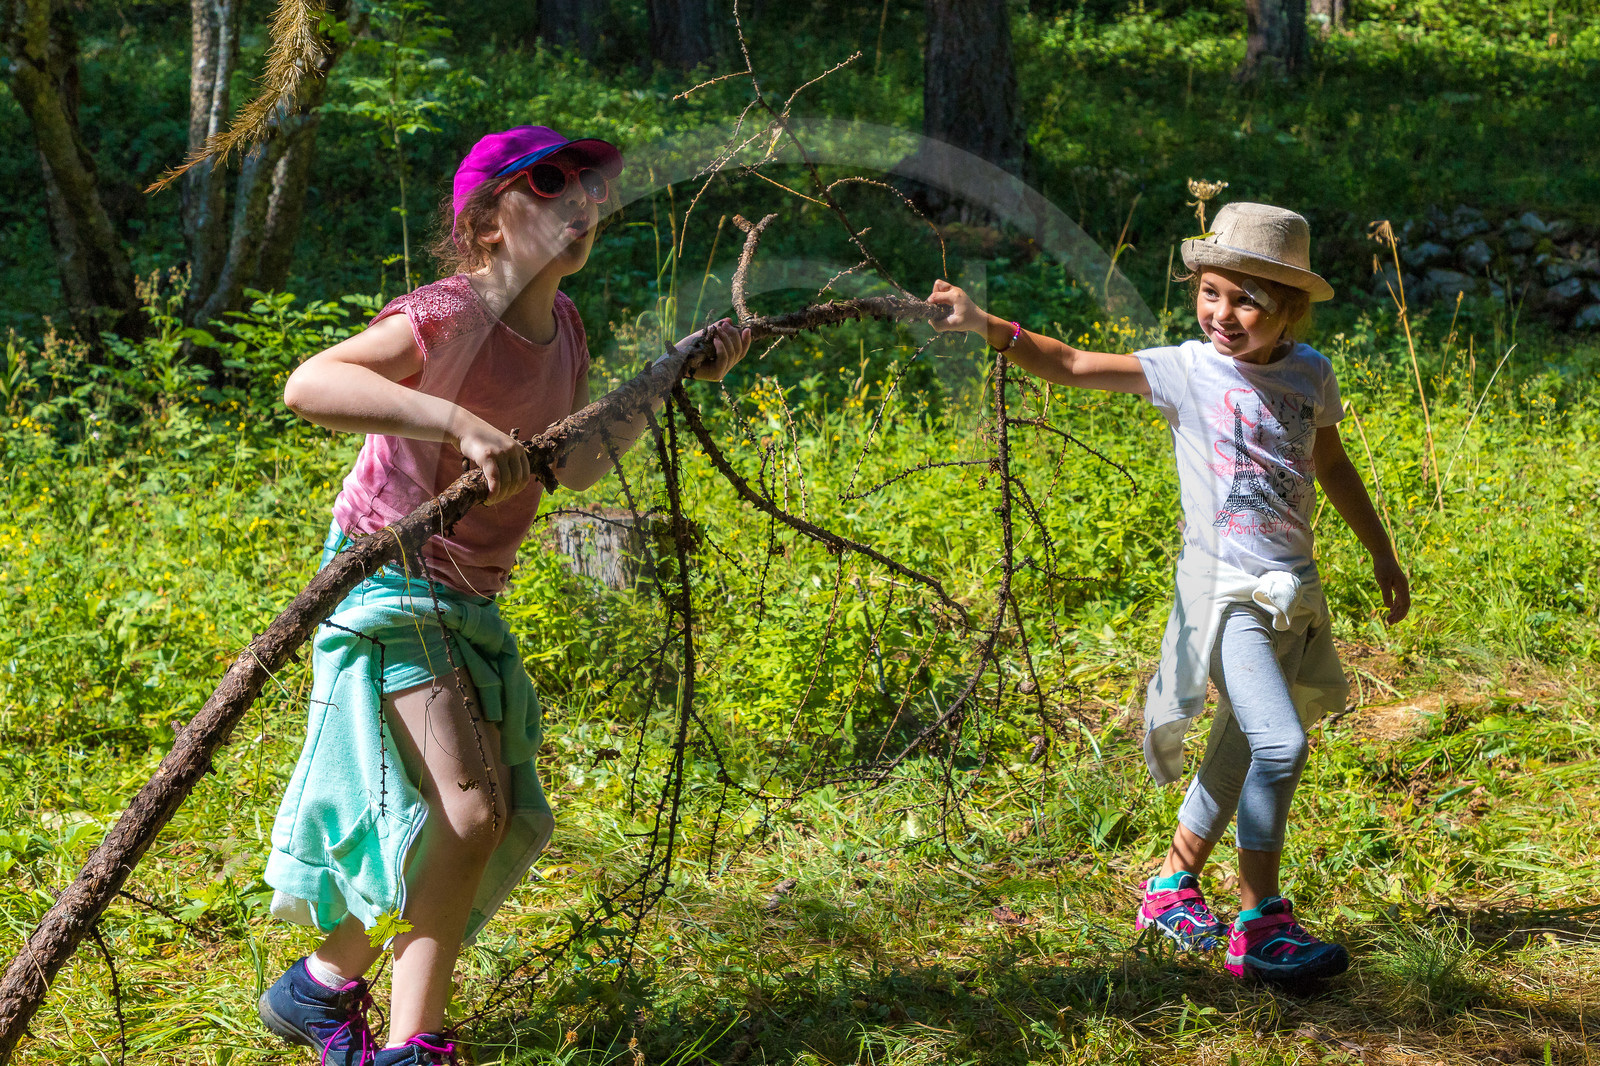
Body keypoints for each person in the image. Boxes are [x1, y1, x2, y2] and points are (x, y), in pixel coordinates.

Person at [256, 126, 751, 1065]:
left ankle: (319, 989)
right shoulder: (446, 314)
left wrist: (671, 369)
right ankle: (414, 1047)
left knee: (492, 816)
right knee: (469, 812)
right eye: (549, 184)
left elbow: (578, 461)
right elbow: (310, 383)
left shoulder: (562, 329)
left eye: (593, 188)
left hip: (467, 603)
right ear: (485, 223)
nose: (582, 202)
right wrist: (454, 421)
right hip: (388, 580)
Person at [927, 202, 1409, 982]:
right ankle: (1261, 927)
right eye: (1211, 292)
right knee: (1282, 746)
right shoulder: (1188, 370)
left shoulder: (1310, 373)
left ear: (1290, 309)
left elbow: (1333, 466)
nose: (1223, 313)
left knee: (1239, 750)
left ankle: (1169, 887)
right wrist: (987, 325)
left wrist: (1383, 554)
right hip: (1224, 597)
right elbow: (1075, 364)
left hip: (1294, 591)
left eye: (1247, 300)